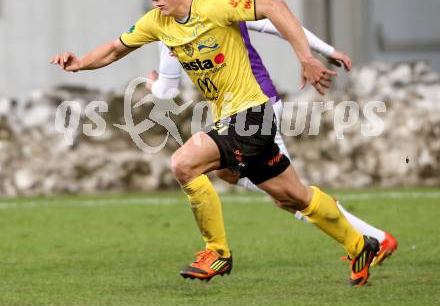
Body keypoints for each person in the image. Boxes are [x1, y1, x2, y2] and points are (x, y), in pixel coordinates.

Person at [51, 0, 380, 287]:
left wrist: (307, 57)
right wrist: (80, 63)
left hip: (254, 112)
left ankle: (217, 251)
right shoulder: (157, 23)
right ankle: (360, 244)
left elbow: (275, 8)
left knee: (184, 164)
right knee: (291, 196)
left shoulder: (216, 5)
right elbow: (114, 48)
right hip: (233, 117)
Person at [146, 18, 397, 268]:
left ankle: (374, 240)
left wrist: (324, 51)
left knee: (291, 194)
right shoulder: (174, 22)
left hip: (257, 107)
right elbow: (279, 24)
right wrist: (326, 50)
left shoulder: (220, 7)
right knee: (234, 174)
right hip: (237, 113)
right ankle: (371, 238)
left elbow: (278, 22)